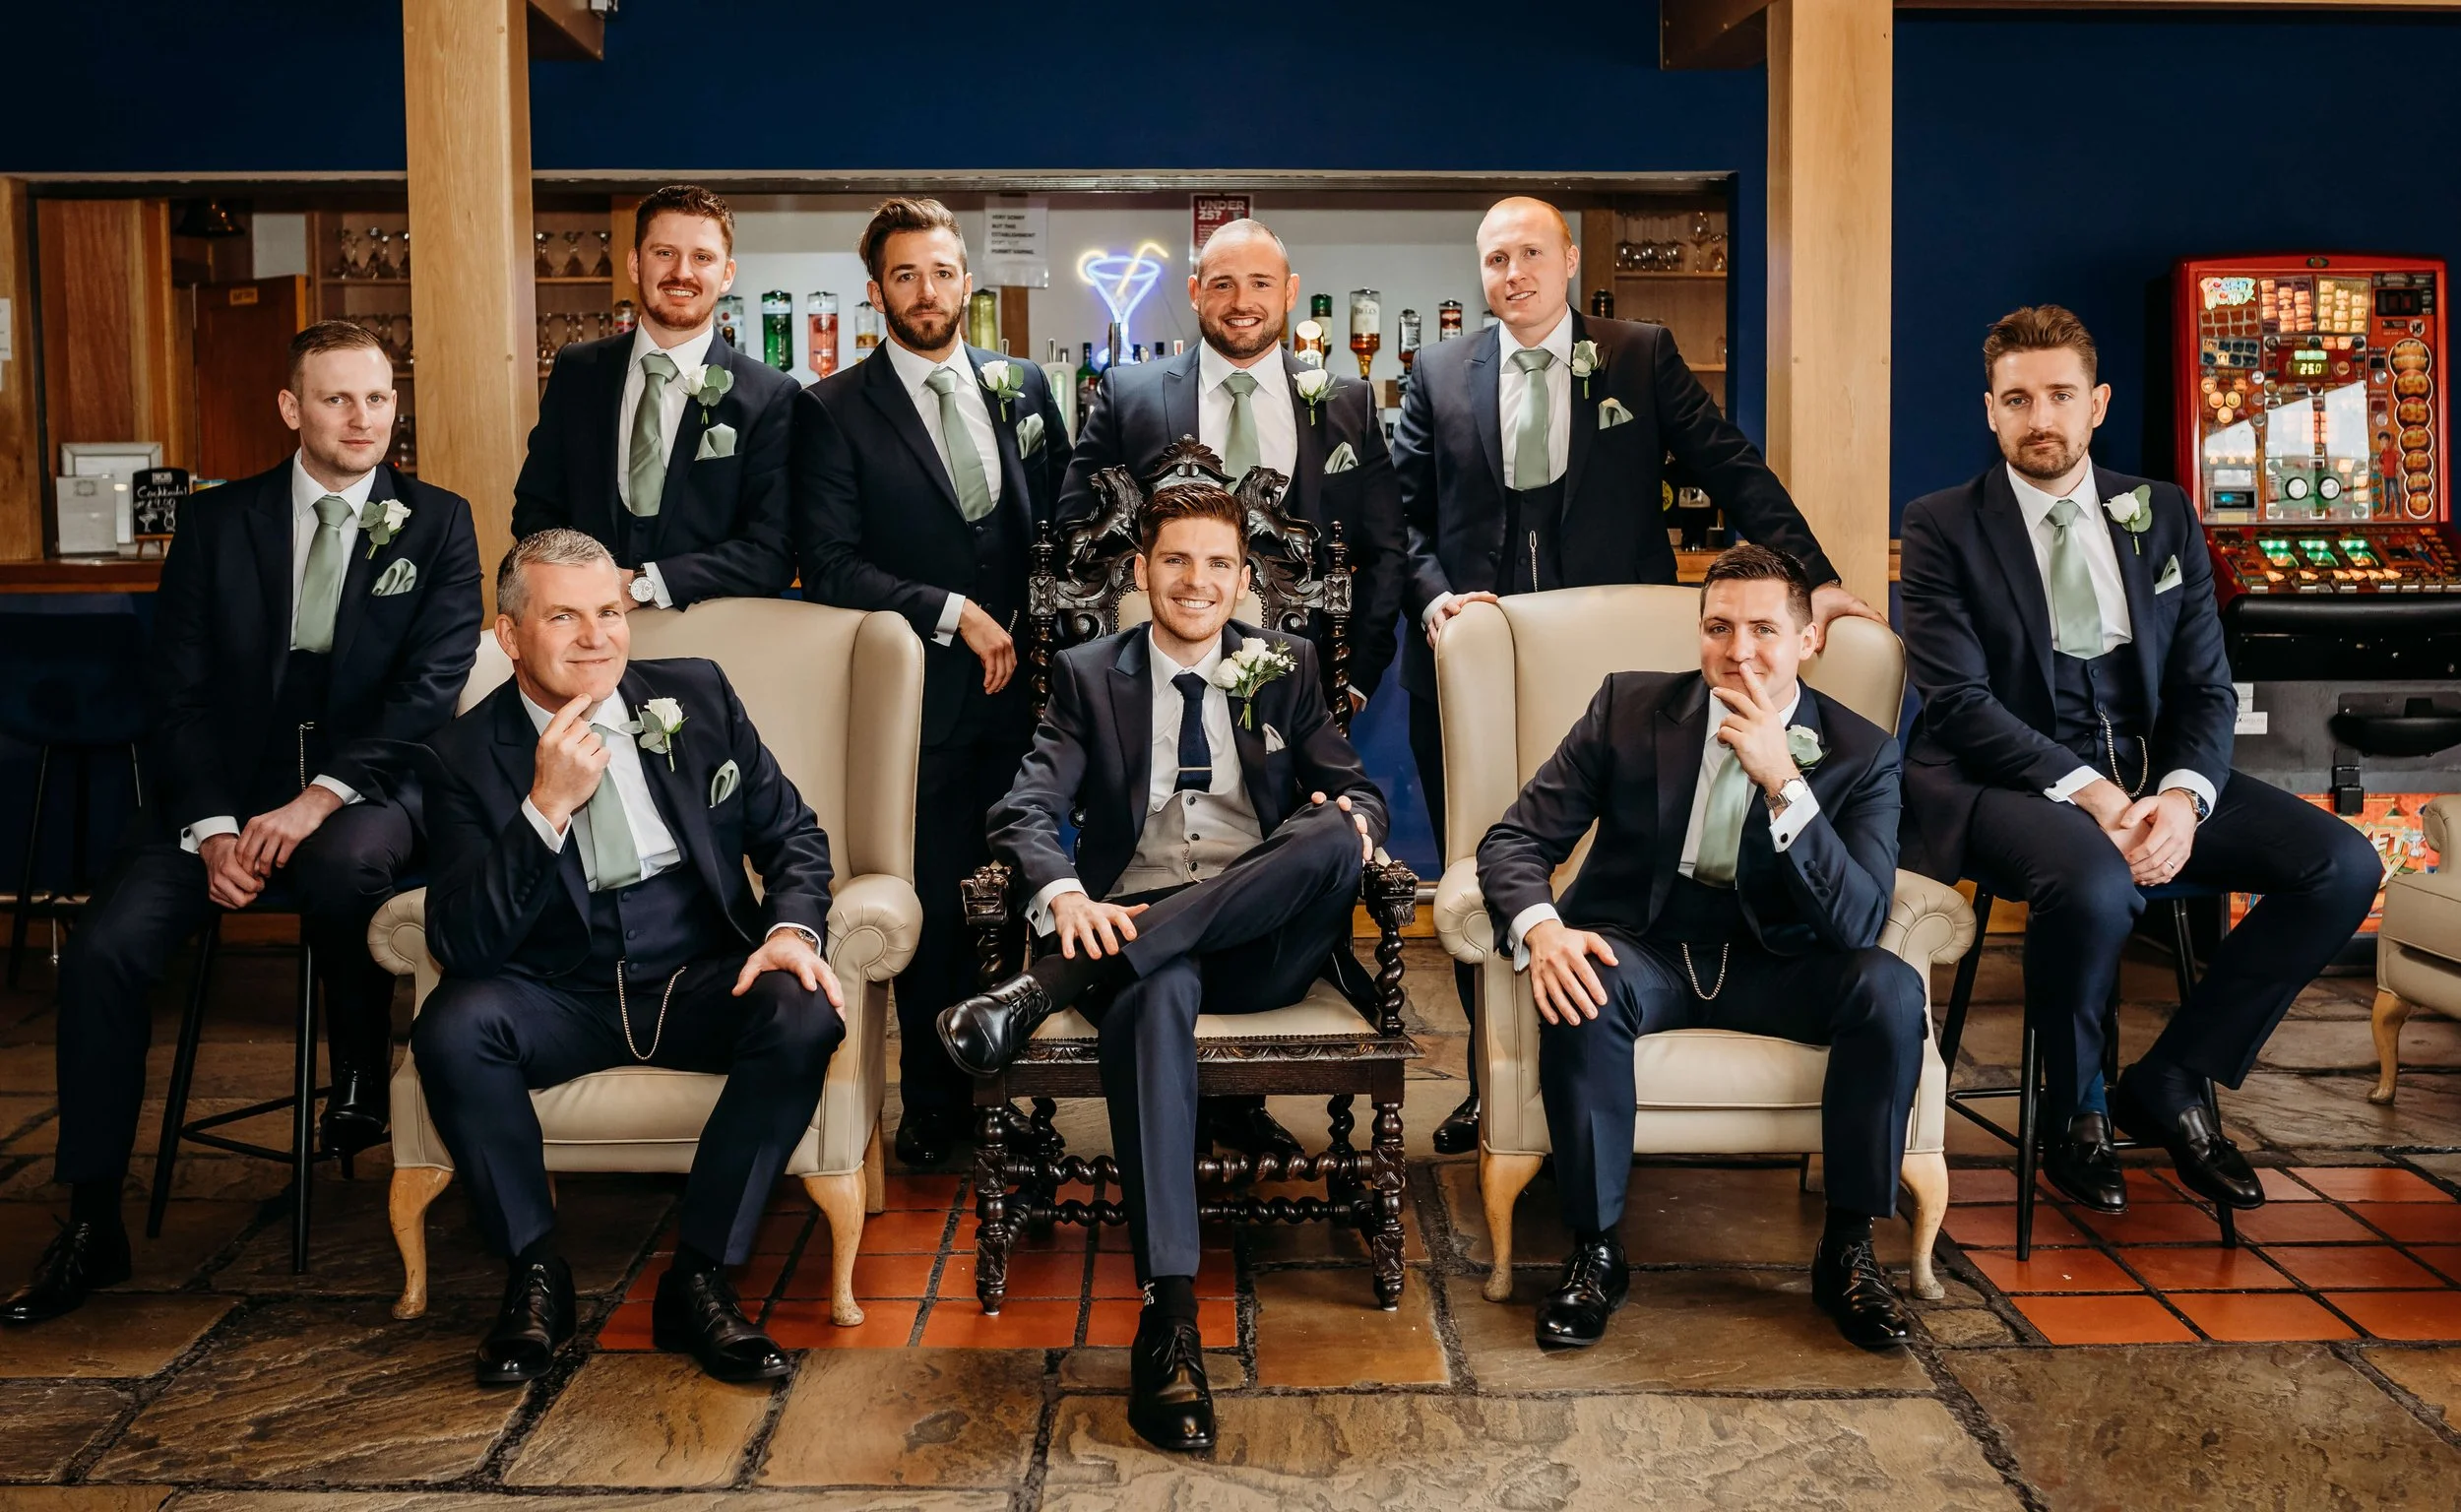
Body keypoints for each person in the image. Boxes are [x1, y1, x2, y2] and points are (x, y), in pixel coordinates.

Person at [4, 321, 481, 1324]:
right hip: (215, 800)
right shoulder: (220, 524)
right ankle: (92, 1216)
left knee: (352, 868)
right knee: (102, 952)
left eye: (380, 399)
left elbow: (430, 691)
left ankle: (354, 1076)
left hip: (362, 793)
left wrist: (320, 799)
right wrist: (216, 828)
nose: (364, 420)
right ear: (290, 409)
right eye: (339, 399)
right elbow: (172, 691)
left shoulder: (437, 522)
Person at [1394, 196, 1882, 1155]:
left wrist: (1814, 580)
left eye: (1530, 252)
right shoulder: (1440, 369)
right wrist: (1434, 594)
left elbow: (1730, 467)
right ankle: (1497, 1078)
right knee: (1484, 841)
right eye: (1495, 259)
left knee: (1634, 845)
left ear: (1568, 258)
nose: (1513, 274)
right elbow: (1400, 512)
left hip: (1611, 658)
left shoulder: (1636, 352)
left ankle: (1626, 1026)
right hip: (1470, 664)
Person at [1897, 304, 2379, 1216]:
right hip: (2008, 781)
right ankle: (2073, 1111)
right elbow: (1958, 705)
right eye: (2018, 399)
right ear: (1989, 411)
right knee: (2093, 883)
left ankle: (2173, 1079)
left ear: (2098, 403)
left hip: (2159, 771)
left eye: (2060, 396)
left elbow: (2205, 684)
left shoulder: (2160, 511)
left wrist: (2184, 799)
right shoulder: (1941, 526)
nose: (2040, 418)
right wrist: (2095, 797)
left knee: (2341, 865)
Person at [937, 483, 1384, 1453]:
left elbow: (1358, 795)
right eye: (1175, 560)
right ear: (1141, 572)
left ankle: (1045, 983)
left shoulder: (1288, 664)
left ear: (1243, 576)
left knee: (1330, 836)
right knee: (1150, 999)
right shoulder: (1093, 672)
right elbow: (1024, 810)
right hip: (1130, 943)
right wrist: (1061, 899)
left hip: (1259, 947)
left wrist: (1358, 824)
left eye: (1218, 563)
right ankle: (1169, 1321)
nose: (1196, 582)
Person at [411, 530, 846, 1386]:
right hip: (556, 992)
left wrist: (790, 931)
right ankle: (535, 1274)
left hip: (698, 975)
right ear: (510, 636)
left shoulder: (698, 695)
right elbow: (460, 942)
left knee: (803, 1010)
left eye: (608, 611)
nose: (595, 636)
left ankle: (700, 1281)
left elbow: (793, 834)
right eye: (563, 616)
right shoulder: (461, 756)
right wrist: (544, 809)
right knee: (452, 1028)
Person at [1477, 543, 1925, 1354]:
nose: (1738, 650)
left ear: (1806, 641)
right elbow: (1515, 839)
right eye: (1719, 627)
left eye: (1763, 629)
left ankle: (1849, 1252)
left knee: (1888, 988)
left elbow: (1858, 923)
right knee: (1583, 980)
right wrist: (1543, 929)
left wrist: (1786, 784)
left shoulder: (1862, 755)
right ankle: (1595, 1252)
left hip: (1780, 964)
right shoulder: (1626, 708)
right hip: (1643, 948)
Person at [790, 198, 1068, 1168]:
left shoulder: (1023, 388)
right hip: (924, 707)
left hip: (1032, 707)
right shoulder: (830, 411)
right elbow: (825, 566)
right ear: (876, 293)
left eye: (941, 273)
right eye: (904, 276)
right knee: (944, 907)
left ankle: (1019, 1099)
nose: (926, 292)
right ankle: (940, 1110)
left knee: (1036, 897)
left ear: (966, 283)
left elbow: (1063, 538)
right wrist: (951, 610)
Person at [1055, 217, 1407, 709]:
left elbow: (1386, 551)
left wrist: (1354, 677)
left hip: (1307, 690)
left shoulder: (1347, 402)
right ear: (1196, 292)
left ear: (1290, 292)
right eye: (1223, 284)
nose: (1242, 302)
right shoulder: (1127, 397)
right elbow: (1076, 537)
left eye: (1261, 283)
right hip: (1154, 688)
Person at [513, 183, 797, 609]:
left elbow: (773, 552)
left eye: (702, 257)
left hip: (710, 634)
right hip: (585, 624)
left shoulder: (771, 396)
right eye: (664, 252)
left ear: (727, 275)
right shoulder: (577, 369)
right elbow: (535, 510)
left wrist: (646, 584)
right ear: (634, 262)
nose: (682, 272)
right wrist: (585, 585)